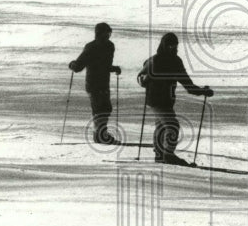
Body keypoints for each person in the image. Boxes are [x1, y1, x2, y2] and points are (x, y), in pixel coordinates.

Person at [137, 32, 214, 165]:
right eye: (170, 45)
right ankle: (168, 154)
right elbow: (140, 78)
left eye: (175, 45)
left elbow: (187, 85)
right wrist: (145, 79)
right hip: (155, 100)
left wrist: (202, 91)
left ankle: (160, 154)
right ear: (164, 45)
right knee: (172, 125)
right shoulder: (154, 60)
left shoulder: (176, 61)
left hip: (167, 100)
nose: (172, 48)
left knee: (161, 126)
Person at [69, 22, 121, 145]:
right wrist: (74, 65)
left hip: (101, 82)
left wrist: (114, 68)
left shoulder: (108, 46)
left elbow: (104, 66)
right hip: (94, 83)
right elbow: (80, 66)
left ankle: (100, 134)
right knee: (100, 109)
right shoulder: (93, 47)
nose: (108, 35)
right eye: (107, 33)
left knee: (105, 108)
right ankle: (100, 135)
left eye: (109, 33)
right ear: (100, 33)